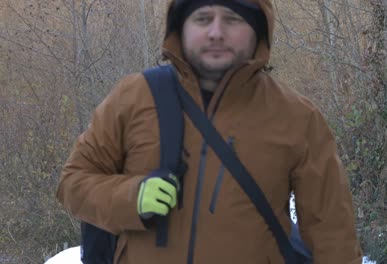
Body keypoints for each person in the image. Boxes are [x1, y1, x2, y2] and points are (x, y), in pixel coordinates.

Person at [56, 0, 363, 263]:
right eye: (202, 18)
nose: (216, 32)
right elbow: (74, 182)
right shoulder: (134, 97)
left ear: (258, 29)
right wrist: (131, 198)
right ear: (181, 27)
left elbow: (332, 234)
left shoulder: (297, 118)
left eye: (233, 19)